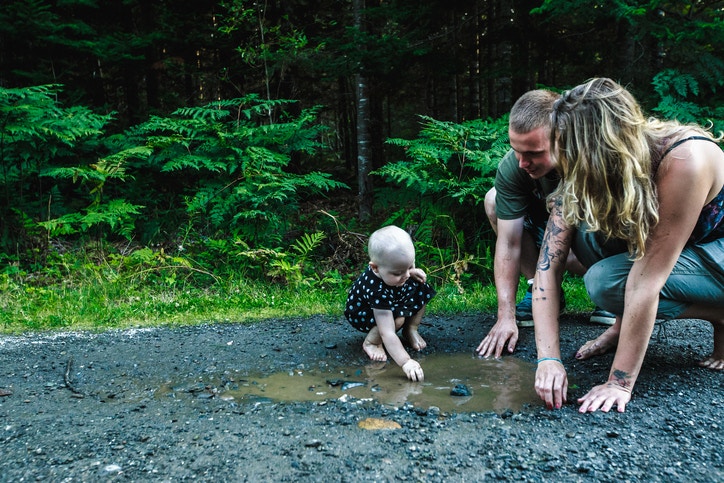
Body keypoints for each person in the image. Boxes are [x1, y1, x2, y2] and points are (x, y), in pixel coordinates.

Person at [533, 77, 724, 413]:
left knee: (606, 281)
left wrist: (618, 382)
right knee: (590, 235)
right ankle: (623, 326)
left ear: (597, 145)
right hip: (685, 250)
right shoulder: (587, 168)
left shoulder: (684, 160)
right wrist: (548, 358)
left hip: (717, 250)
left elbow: (646, 279)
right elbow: (547, 269)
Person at [476, 90, 615, 359]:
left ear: (562, 139)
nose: (522, 162)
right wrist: (506, 316)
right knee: (493, 199)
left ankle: (609, 295)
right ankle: (536, 287)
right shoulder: (514, 166)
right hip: (547, 236)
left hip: (589, 243)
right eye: (516, 150)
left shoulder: (593, 161)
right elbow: (509, 242)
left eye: (533, 153)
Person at [344, 225, 436, 381]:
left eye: (409, 267)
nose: (406, 275)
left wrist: (410, 272)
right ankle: (371, 342)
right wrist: (406, 362)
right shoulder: (376, 289)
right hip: (364, 313)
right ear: (375, 268)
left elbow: (404, 272)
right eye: (398, 272)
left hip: (390, 294)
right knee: (396, 319)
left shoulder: (395, 273)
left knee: (421, 287)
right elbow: (388, 332)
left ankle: (411, 329)